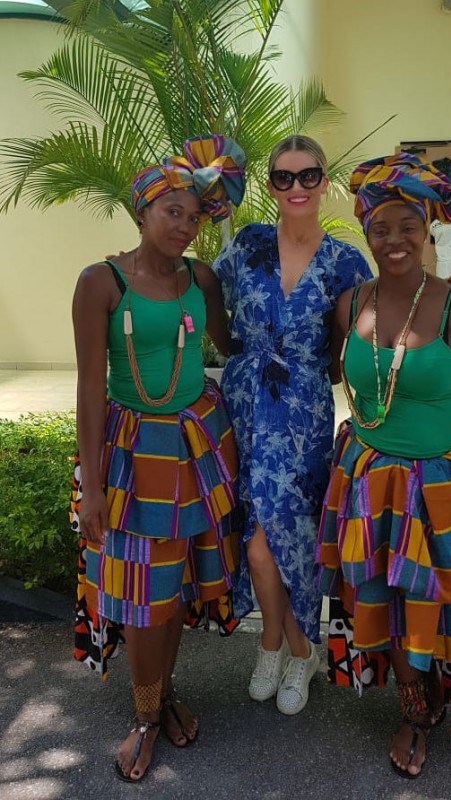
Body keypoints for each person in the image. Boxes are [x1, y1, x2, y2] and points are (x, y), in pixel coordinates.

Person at [316, 152, 451, 778]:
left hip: (441, 487)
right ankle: (411, 709)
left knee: (437, 602)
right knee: (385, 595)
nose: (394, 239)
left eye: (408, 225)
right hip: (368, 480)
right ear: (366, 233)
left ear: (428, 228)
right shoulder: (350, 305)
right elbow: (323, 368)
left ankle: (433, 697)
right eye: (380, 228)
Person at [70, 134, 245, 782]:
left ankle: (164, 694)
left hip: (195, 446)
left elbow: (233, 344)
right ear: (141, 211)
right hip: (132, 451)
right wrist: (92, 486)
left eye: (194, 216)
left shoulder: (200, 278)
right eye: (172, 211)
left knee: (172, 587)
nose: (184, 226)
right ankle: (145, 717)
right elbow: (90, 388)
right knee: (144, 592)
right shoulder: (101, 282)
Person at [211, 135, 373, 715]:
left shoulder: (346, 263)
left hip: (302, 415)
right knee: (256, 541)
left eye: (308, 176)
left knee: (282, 541)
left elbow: (357, 341)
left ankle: (295, 648)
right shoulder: (248, 243)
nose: (297, 187)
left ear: (324, 182)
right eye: (284, 177)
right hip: (245, 406)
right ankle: (279, 646)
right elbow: (202, 290)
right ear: (271, 184)